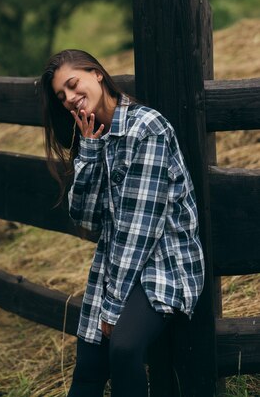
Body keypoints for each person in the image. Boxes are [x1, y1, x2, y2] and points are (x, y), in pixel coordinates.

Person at [40, 49, 205, 397]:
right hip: (117, 264)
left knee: (124, 349)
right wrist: (89, 149)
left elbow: (140, 230)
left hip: (165, 263)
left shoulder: (147, 129)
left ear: (97, 74)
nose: (69, 99)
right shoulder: (93, 134)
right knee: (88, 365)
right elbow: (84, 217)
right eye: (62, 95)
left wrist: (112, 308)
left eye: (73, 84)